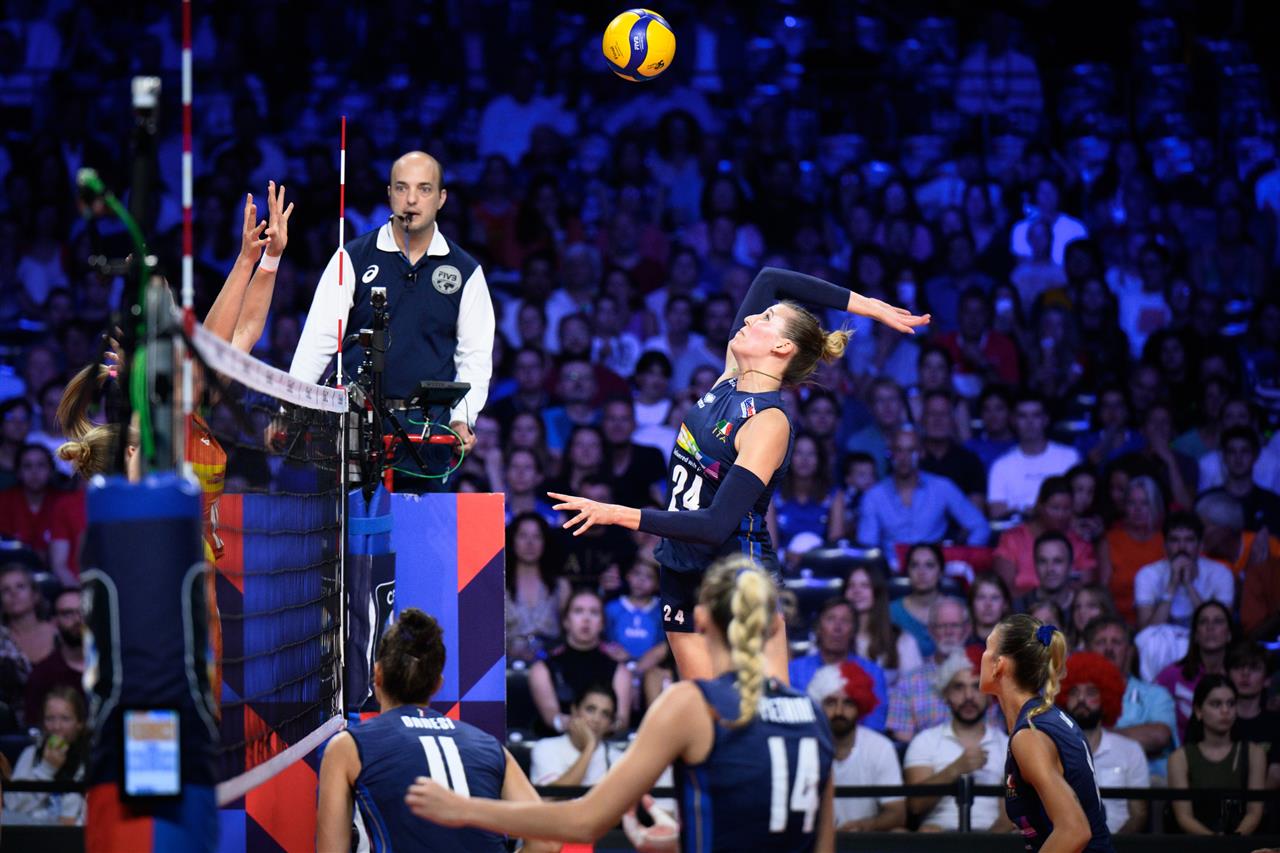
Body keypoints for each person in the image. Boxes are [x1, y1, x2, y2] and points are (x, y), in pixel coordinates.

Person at [543, 266, 928, 682]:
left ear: (782, 346)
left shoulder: (768, 421)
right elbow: (770, 279)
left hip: (737, 572)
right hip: (680, 562)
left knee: (761, 706)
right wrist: (865, 305)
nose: (751, 317)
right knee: (707, 707)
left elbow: (715, 525)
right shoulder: (729, 377)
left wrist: (616, 513)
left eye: (766, 318)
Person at [406, 555, 838, 851]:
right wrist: (683, 838)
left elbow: (586, 821)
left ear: (702, 619)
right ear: (772, 626)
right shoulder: (812, 714)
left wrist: (465, 809)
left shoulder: (693, 704)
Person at [290, 151, 495, 483]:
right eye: (402, 188)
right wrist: (290, 410)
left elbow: (475, 358)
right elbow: (318, 342)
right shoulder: (351, 258)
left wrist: (462, 418)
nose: (411, 199)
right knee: (348, 517)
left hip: (428, 435)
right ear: (389, 194)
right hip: (354, 430)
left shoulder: (466, 272)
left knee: (420, 517)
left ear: (441, 198)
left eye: (424, 189)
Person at [316, 608, 554, 852]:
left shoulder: (347, 747)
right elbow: (546, 841)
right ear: (437, 684)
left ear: (377, 675)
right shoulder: (491, 747)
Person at [979, 614, 1114, 853]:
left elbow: (1074, 831)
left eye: (987, 648)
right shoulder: (1044, 717)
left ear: (999, 664)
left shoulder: (1030, 734)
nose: (982, 656)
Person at [903, 647, 1013, 832]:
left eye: (977, 687)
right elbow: (915, 806)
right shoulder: (924, 741)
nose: (968, 696)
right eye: (959, 687)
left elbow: (1009, 816)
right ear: (945, 694)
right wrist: (956, 768)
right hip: (937, 836)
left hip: (992, 837)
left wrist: (983, 844)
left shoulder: (1008, 746)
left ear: (991, 695)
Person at [856, 430, 990, 567]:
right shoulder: (873, 496)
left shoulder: (942, 487)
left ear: (921, 453)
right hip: (892, 572)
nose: (904, 458)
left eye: (911, 451)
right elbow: (868, 547)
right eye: (898, 450)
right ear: (890, 453)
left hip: (934, 569)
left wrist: (962, 559)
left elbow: (979, 526)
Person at [1055, 652, 1149, 834]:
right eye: (1074, 692)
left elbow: (1139, 815)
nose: (1081, 699)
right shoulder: (1049, 751)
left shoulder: (1130, 751)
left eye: (1091, 692)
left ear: (1106, 699)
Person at [807, 661, 906, 833]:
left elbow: (897, 813)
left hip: (866, 840)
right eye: (830, 703)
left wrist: (864, 826)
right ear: (818, 706)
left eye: (848, 703)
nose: (839, 712)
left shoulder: (880, 748)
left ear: (860, 706)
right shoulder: (804, 748)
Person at [887, 597, 1002, 743]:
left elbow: (994, 735)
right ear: (930, 631)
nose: (949, 632)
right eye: (941, 626)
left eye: (955, 626)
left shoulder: (986, 677)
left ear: (967, 629)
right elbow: (904, 743)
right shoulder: (908, 684)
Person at [1167, 675, 1266, 836]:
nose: (1225, 711)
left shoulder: (1255, 754)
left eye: (1231, 703)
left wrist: (1233, 841)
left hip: (1243, 844)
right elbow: (1184, 817)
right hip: (1195, 844)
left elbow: (1254, 812)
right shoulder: (1179, 758)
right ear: (1198, 711)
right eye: (1216, 704)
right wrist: (1215, 843)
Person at [1083, 616, 1177, 780]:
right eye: (1100, 642)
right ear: (1087, 650)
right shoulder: (1075, 697)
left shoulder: (1155, 695)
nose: (1108, 649)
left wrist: (1094, 736)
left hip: (1148, 783)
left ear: (1130, 651)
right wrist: (1134, 733)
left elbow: (1159, 736)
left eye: (1116, 642)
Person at [528, 589, 632, 734]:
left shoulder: (620, 671)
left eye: (594, 612)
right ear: (566, 621)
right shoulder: (542, 669)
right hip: (558, 742)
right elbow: (551, 717)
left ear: (602, 624)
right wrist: (584, 727)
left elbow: (622, 721)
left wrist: (599, 728)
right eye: (578, 611)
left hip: (603, 741)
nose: (586, 619)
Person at [787, 597, 889, 731]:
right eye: (830, 619)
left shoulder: (873, 673)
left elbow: (875, 725)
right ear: (818, 628)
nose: (837, 628)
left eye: (845, 621)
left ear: (854, 631)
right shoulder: (794, 671)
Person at [993, 476, 1098, 598]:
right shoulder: (1012, 539)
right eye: (1055, 508)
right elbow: (1002, 591)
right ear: (1040, 505)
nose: (1061, 515)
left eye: (1066, 509)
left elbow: (1086, 593)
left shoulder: (1081, 545)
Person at [987, 392, 1082, 519]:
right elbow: (996, 512)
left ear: (1046, 419)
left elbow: (1079, 503)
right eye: (1023, 416)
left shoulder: (1069, 457)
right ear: (1013, 421)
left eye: (1036, 415)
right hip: (1019, 529)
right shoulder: (1001, 465)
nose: (1029, 422)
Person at [1133, 512, 1234, 630]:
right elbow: (1146, 633)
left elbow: (1220, 630)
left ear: (1200, 546)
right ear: (1165, 546)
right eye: (1174, 540)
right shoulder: (1147, 575)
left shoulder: (1221, 574)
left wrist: (1189, 585)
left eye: (1189, 540)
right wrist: (1172, 585)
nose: (1182, 547)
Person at [4, 686, 88, 825]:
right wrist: (47, 768)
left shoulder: (91, 760)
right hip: (32, 832)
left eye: (65, 719)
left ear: (79, 723)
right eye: (50, 719)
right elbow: (13, 806)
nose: (57, 727)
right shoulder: (31, 754)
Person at [1154, 600, 1236, 739]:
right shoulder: (1171, 675)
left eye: (1218, 621)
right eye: (1203, 622)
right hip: (1182, 750)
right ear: (1196, 635)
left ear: (1229, 634)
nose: (1210, 627)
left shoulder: (1240, 676)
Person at [1098, 476, 1167, 625]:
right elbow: (1102, 593)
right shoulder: (1110, 540)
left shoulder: (1167, 542)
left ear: (1155, 505)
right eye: (1131, 503)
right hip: (1118, 623)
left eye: (1145, 503)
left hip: (1160, 624)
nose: (1137, 509)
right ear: (1124, 507)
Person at [843, 564, 923, 687]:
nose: (856, 591)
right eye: (851, 586)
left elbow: (916, 689)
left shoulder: (902, 640)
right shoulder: (833, 639)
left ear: (877, 593)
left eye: (865, 586)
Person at [529, 683, 623, 786]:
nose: (596, 719)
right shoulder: (546, 748)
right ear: (574, 710)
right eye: (590, 710)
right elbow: (554, 794)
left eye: (605, 714)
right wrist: (589, 746)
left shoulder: (619, 760)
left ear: (610, 723)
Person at [22, 586, 84, 727]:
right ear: (55, 621)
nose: (77, 619)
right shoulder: (42, 675)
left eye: (83, 612)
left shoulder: (116, 666)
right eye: (67, 613)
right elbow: (35, 730)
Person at [1012, 531, 1078, 617]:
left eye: (1057, 561)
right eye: (1043, 561)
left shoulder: (1082, 607)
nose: (1050, 569)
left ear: (1071, 565)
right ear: (1035, 565)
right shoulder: (1018, 609)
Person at [969, 574, 1012, 644]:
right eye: (981, 597)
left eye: (995, 598)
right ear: (972, 603)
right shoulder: (960, 645)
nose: (988, 604)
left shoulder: (1017, 646)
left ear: (1005, 604)